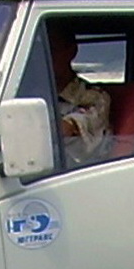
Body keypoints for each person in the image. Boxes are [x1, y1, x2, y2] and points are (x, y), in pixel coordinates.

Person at [49, 24, 110, 165]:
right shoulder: (28, 93)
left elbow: (65, 130)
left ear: (71, 51)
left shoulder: (95, 97)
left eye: (51, 50)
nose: (43, 58)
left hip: (80, 175)